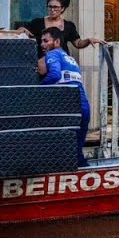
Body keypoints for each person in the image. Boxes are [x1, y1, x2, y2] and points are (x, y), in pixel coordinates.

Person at [39, 27, 91, 167]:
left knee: (63, 145)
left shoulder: (53, 54)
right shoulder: (70, 58)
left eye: (45, 41)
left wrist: (38, 88)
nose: (42, 45)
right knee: (77, 149)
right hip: (83, 105)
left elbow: (55, 75)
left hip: (69, 106)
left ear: (56, 42)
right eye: (41, 41)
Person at [22, 0, 103, 55]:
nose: (52, 10)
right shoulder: (38, 22)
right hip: (42, 62)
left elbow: (78, 43)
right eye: (50, 6)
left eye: (55, 7)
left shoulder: (69, 25)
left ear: (63, 8)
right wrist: (21, 30)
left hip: (62, 62)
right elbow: (24, 31)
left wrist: (88, 40)